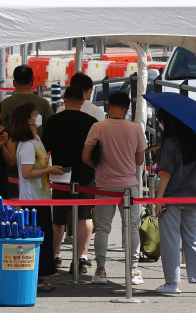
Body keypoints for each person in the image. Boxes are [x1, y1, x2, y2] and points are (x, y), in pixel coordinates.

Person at [82, 92, 147, 285]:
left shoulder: (98, 127)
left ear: (108, 107)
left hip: (103, 184)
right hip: (129, 184)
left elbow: (85, 157)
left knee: (102, 228)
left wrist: (99, 167)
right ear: (127, 109)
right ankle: (133, 270)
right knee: (132, 226)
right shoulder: (135, 128)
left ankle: (100, 270)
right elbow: (140, 160)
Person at [41, 85, 98, 274]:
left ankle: (55, 256)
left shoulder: (54, 121)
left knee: (58, 218)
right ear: (83, 101)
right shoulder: (92, 122)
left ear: (64, 99)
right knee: (85, 216)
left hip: (60, 172)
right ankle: (81, 257)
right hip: (86, 173)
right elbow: (98, 151)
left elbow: (44, 147)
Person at [154, 109, 196, 294]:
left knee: (170, 240)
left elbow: (166, 174)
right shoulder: (195, 142)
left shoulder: (170, 143)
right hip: (193, 197)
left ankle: (172, 284)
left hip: (172, 198)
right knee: (193, 239)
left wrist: (158, 199)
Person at [12, 102, 63, 291]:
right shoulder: (26, 145)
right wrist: (49, 169)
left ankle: (39, 277)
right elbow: (26, 172)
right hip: (31, 199)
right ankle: (36, 278)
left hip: (41, 197)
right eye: (35, 113)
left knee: (43, 238)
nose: (38, 116)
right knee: (36, 239)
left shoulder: (37, 139)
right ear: (28, 119)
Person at [0, 65, 54, 136]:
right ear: (32, 82)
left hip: (13, 145)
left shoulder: (5, 103)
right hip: (37, 145)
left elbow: (1, 126)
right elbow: (51, 125)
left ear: (14, 83)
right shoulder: (43, 103)